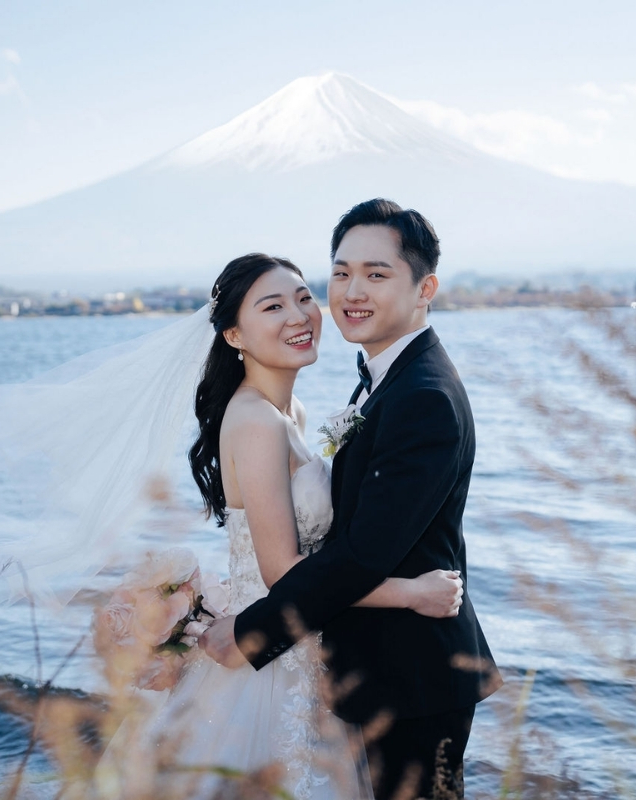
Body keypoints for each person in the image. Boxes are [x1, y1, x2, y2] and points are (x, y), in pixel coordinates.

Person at [96, 253, 465, 799]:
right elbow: (281, 571)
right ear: (234, 335)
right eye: (273, 306)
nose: (299, 316)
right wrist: (411, 593)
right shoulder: (254, 421)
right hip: (269, 669)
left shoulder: (292, 416)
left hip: (307, 647)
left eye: (302, 298)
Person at [202, 201, 502, 800]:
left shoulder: (422, 396)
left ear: (425, 288)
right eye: (340, 274)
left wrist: (250, 632)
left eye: (376, 273)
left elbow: (362, 554)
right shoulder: (384, 381)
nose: (351, 291)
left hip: (412, 680)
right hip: (366, 670)